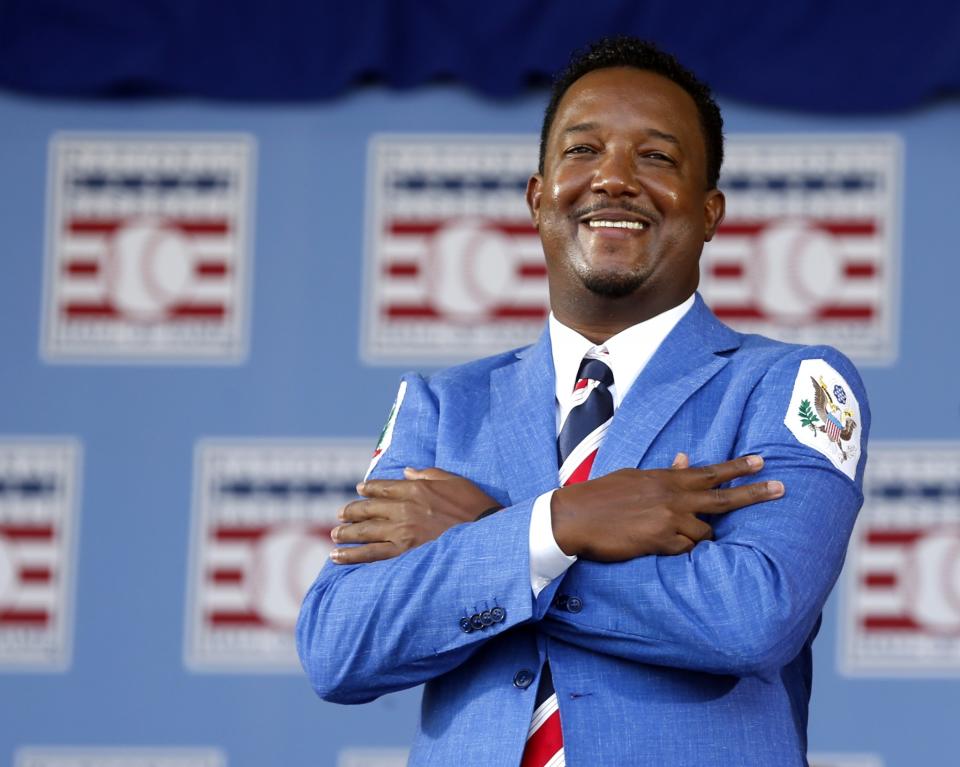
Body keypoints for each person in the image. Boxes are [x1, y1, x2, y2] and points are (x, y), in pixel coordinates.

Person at [297, 36, 869, 767]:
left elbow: (752, 617)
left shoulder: (790, 384)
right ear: (539, 198)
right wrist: (556, 524)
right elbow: (338, 643)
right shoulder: (443, 406)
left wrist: (496, 535)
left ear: (709, 210)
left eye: (656, 158)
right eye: (582, 151)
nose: (614, 179)